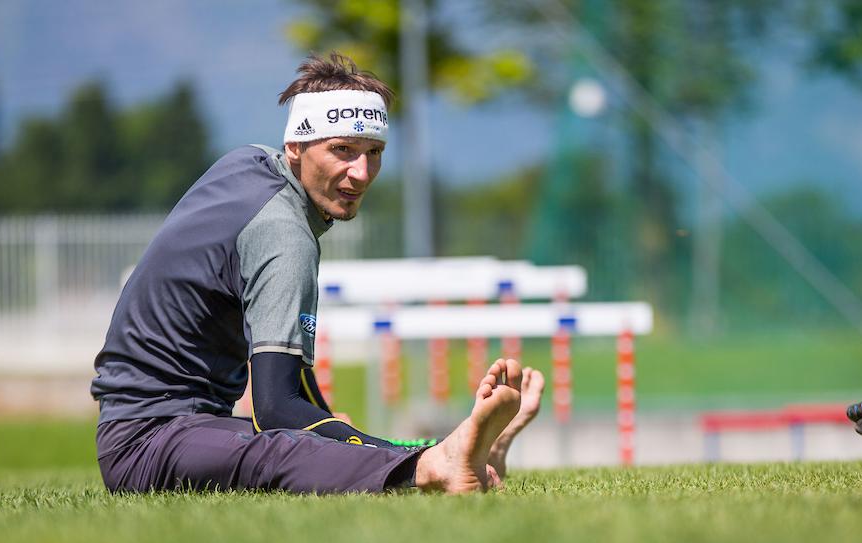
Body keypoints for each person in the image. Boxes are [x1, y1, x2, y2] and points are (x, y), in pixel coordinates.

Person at [90, 52, 543, 495]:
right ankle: (437, 463)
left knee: (315, 436)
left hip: (182, 423)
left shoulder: (247, 165)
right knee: (285, 448)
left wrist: (327, 425)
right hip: (145, 442)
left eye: (374, 152)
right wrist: (336, 434)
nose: (361, 173)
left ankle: (456, 457)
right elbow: (274, 410)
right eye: (342, 150)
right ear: (296, 146)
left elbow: (295, 391)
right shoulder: (282, 231)